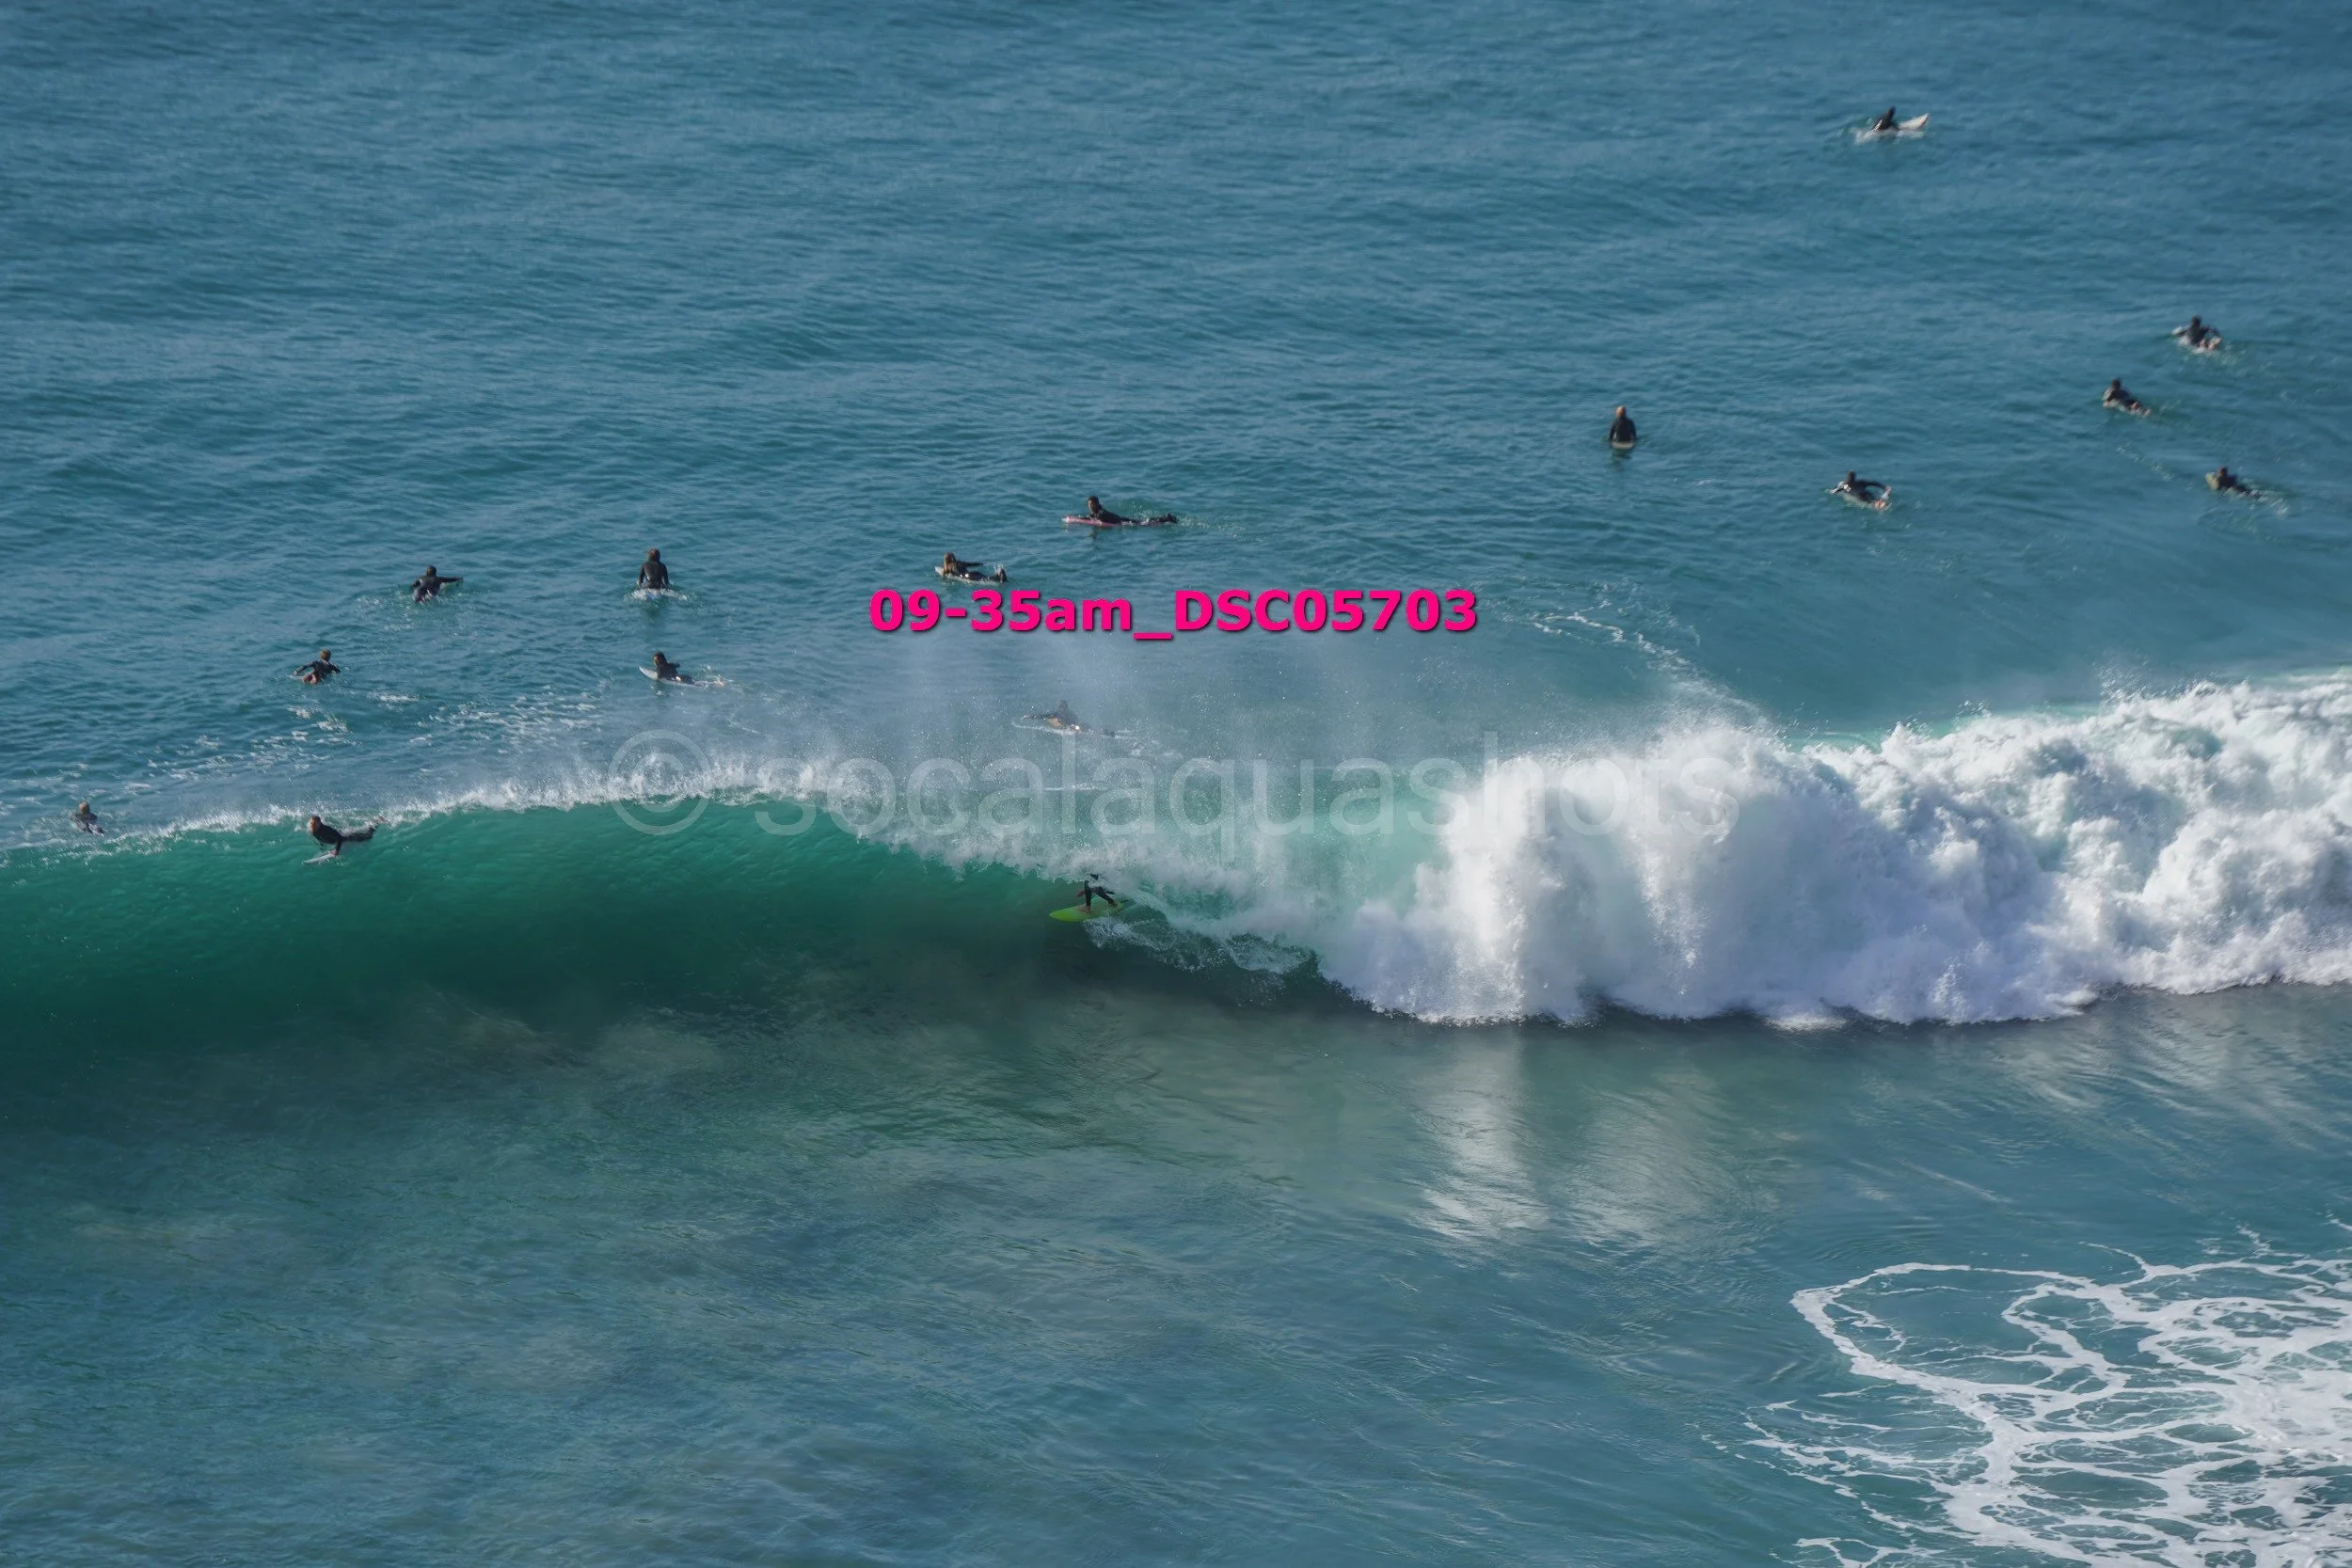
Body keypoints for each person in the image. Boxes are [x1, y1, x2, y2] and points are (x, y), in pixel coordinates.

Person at [307, 815, 376, 856]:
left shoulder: (326, 829)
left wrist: (336, 850)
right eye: (311, 823)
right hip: (339, 836)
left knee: (368, 836)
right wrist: (321, 846)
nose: (312, 825)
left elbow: (339, 838)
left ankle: (375, 822)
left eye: (314, 824)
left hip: (347, 837)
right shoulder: (312, 830)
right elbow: (319, 838)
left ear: (319, 823)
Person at [941, 552, 1009, 583]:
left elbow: (944, 574)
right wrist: (980, 563)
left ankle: (999, 575)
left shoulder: (948, 568)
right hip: (972, 573)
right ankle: (999, 574)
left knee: (986, 580)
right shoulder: (959, 562)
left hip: (968, 577)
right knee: (987, 577)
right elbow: (972, 564)